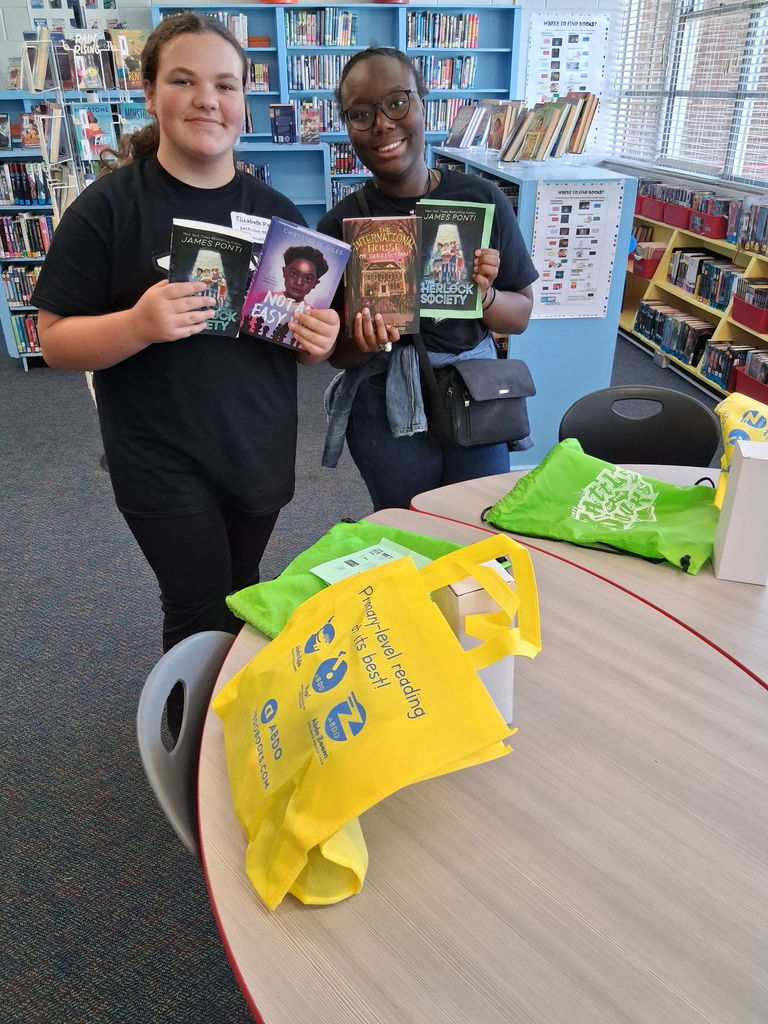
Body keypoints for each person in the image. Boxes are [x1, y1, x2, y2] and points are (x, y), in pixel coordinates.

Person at [31, 14, 339, 652]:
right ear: (150, 95)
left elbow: (296, 342)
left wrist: (319, 340)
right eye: (183, 80)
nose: (207, 99)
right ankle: (194, 744)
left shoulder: (276, 212)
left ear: (243, 104)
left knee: (242, 588)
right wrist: (138, 325)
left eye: (226, 85)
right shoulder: (108, 208)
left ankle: (234, 722)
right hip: (161, 457)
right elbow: (55, 340)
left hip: (256, 445)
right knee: (197, 607)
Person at [317, 47, 538, 511]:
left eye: (398, 102)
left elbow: (519, 317)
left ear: (423, 103)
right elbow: (339, 355)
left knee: (478, 526)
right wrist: (365, 341)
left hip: (475, 392)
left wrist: (485, 293)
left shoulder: (481, 200)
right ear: (347, 126)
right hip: (383, 403)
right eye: (361, 113)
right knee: (407, 527)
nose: (382, 124)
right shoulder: (339, 227)